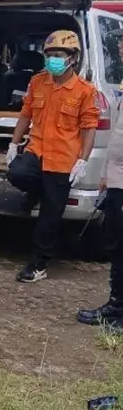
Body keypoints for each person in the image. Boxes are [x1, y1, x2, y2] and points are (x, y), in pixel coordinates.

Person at [6, 30, 99, 283]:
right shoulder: (38, 82)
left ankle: (39, 264)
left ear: (72, 58)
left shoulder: (84, 90)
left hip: (62, 158)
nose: (52, 60)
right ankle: (37, 190)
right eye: (49, 55)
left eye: (58, 55)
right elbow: (25, 114)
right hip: (36, 149)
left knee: (50, 214)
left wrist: (83, 159)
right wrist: (14, 144)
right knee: (17, 173)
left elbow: (89, 127)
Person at [76, 87, 123, 333]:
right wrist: (105, 174)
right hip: (116, 181)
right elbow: (117, 137)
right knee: (116, 245)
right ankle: (116, 305)